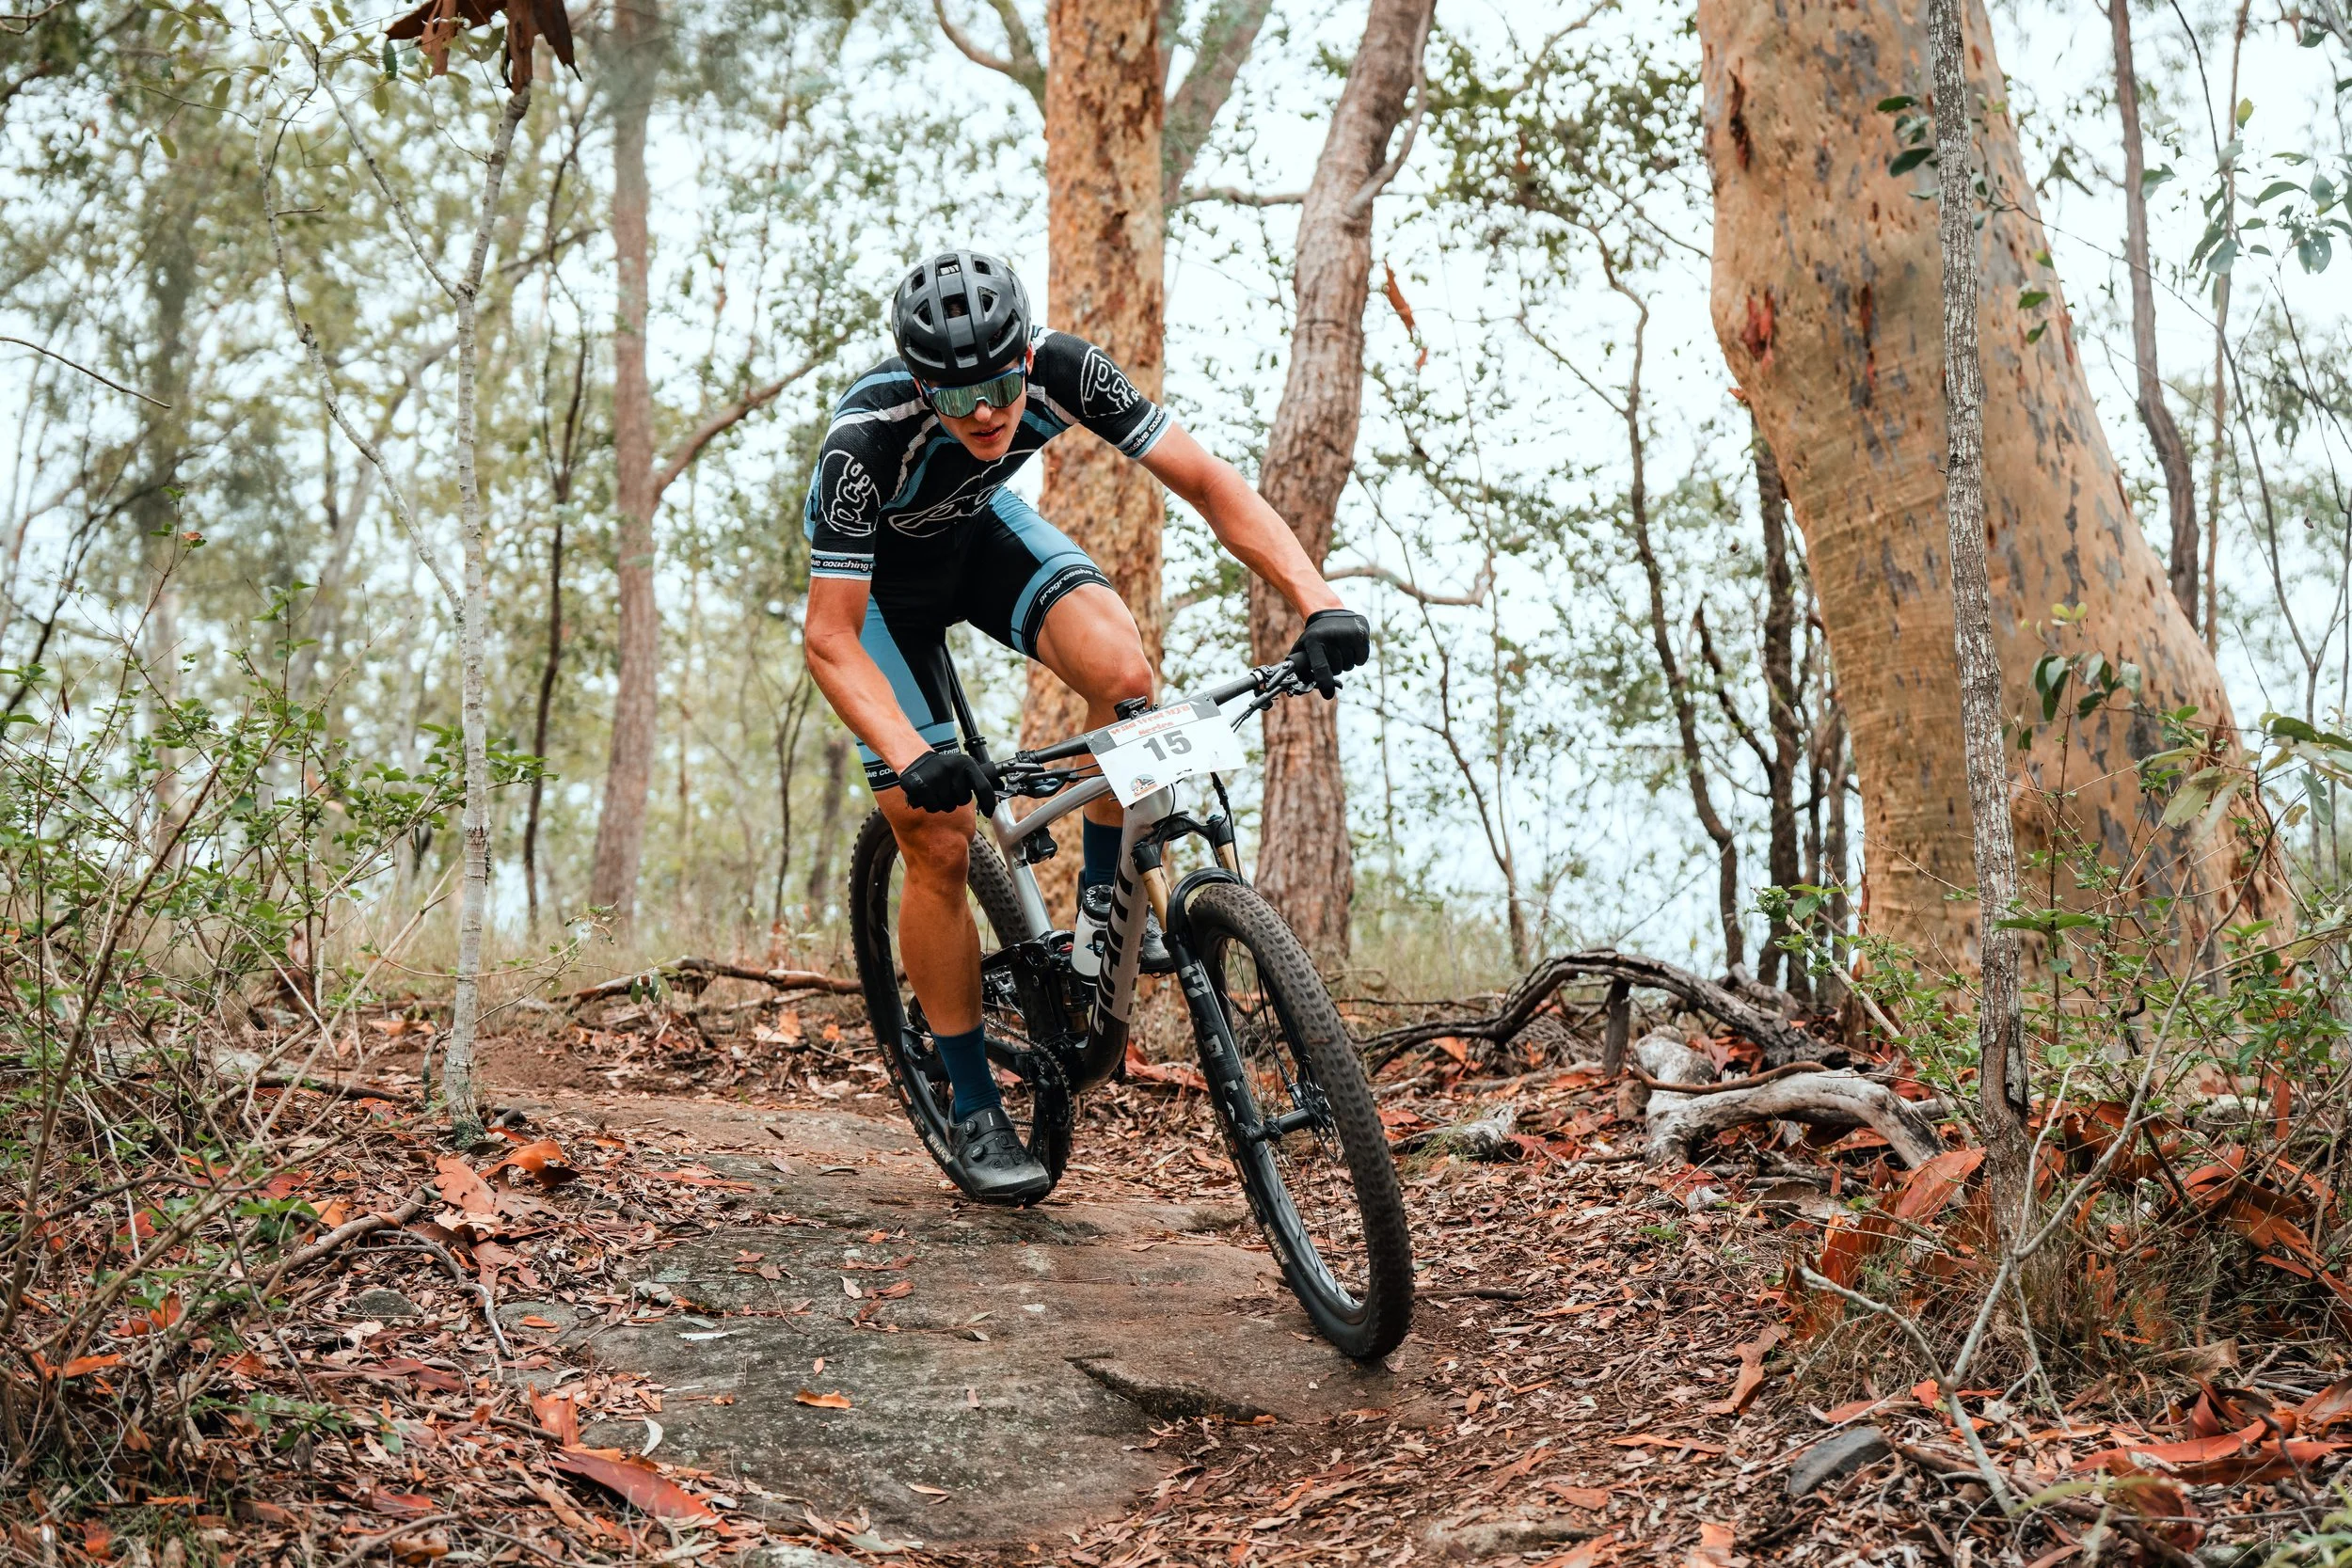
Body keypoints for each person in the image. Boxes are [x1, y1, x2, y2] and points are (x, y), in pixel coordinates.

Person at [801, 249, 1370, 1204]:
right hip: (881, 599)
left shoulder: (1065, 369)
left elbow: (1206, 481)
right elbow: (828, 638)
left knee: (1125, 677)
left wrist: (1318, 598)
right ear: (920, 385)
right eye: (957, 396)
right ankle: (973, 1102)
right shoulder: (863, 445)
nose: (987, 412)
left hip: (978, 536)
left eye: (1001, 383)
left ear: (1025, 356)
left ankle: (1100, 921)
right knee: (938, 836)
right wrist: (912, 754)